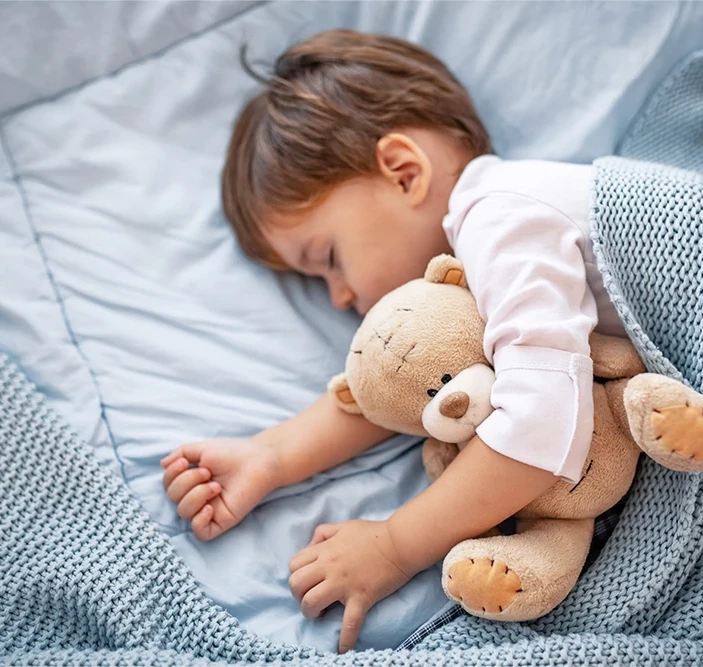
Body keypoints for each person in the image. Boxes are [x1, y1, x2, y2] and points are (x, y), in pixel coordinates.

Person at [161, 29, 627, 653]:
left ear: (404, 172)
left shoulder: (502, 219)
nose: (339, 298)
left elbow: (543, 421)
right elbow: (414, 376)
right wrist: (270, 456)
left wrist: (395, 545)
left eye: (327, 258)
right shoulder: (472, 274)